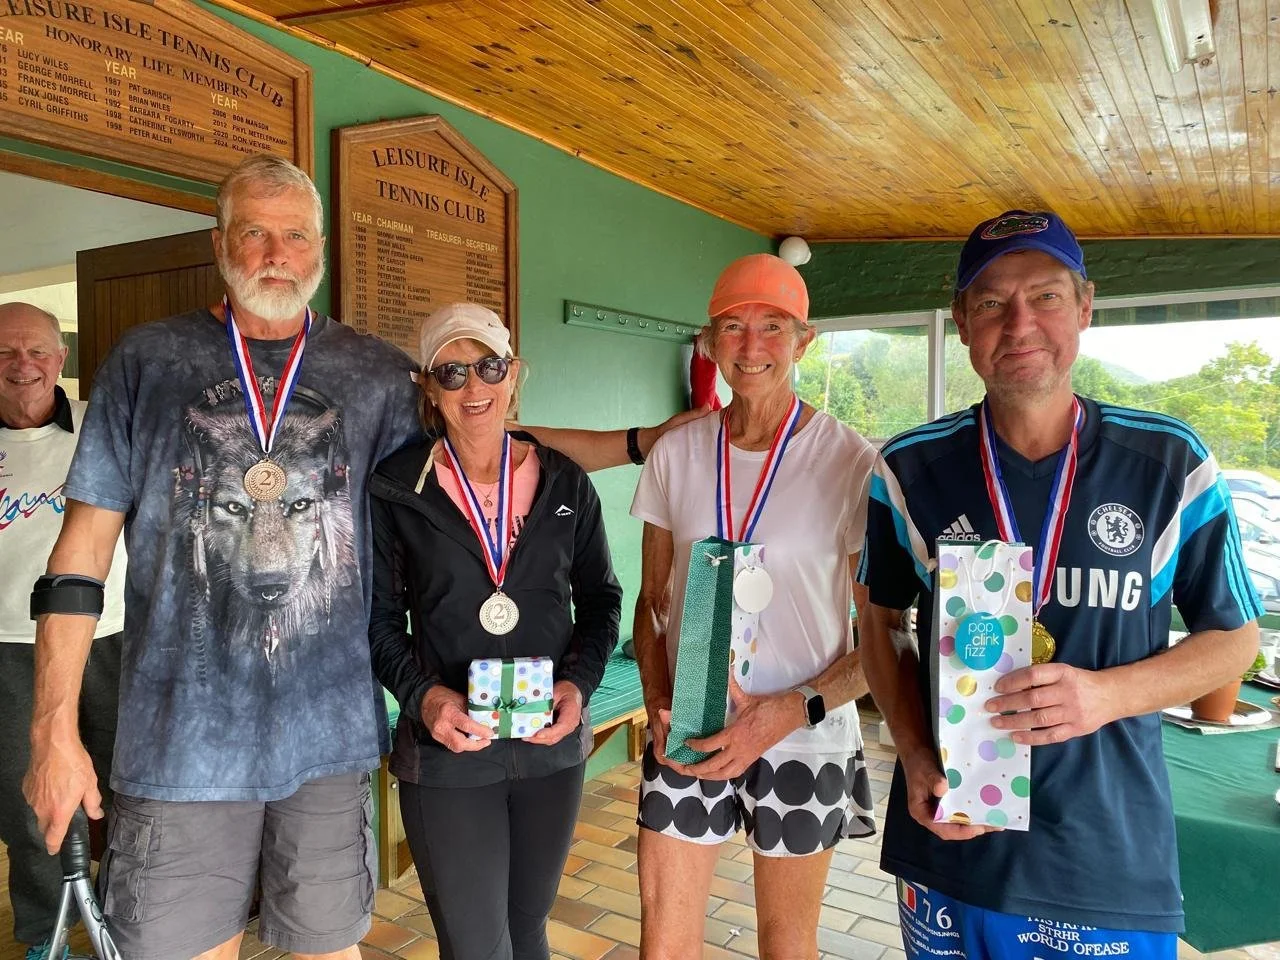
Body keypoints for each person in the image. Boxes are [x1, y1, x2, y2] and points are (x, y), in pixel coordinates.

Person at [21, 154, 696, 960]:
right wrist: (52, 734)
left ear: (322, 250)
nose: (276, 254)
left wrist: (634, 443)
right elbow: (78, 560)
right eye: (255, 233)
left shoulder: (374, 374)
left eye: (296, 236)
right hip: (181, 748)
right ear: (219, 244)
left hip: (328, 746)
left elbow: (484, 436)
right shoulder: (146, 363)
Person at [858, 210, 1262, 960]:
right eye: (990, 303)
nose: (1019, 323)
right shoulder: (908, 469)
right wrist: (913, 753)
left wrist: (1106, 696)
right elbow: (877, 624)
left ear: (1085, 306)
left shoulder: (1171, 463)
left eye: (1044, 296)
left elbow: (1235, 641)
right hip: (950, 845)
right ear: (961, 323)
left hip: (1104, 860)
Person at [629, 253, 879, 959]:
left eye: (773, 326)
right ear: (709, 343)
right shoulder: (676, 454)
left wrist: (790, 709)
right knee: (665, 942)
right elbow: (651, 609)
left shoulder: (852, 463)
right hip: (687, 729)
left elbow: (881, 641)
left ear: (806, 341)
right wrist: (656, 702)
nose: (751, 345)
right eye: (732, 327)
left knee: (788, 944)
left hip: (804, 733)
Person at [368, 302, 621, 960]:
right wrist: (425, 697)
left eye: (489, 366)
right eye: (451, 373)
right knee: (478, 946)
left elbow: (601, 598)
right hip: (449, 753)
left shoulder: (564, 479)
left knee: (528, 929)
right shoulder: (399, 488)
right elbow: (376, 621)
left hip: (550, 746)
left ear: (514, 375)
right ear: (428, 387)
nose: (473, 387)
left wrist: (579, 685)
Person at [0, 303, 127, 960]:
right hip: (10, 648)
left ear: (61, 358)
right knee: (32, 802)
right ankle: (44, 938)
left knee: (126, 787)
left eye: (37, 351)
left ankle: (126, 921)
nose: (23, 365)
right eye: (5, 353)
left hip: (112, 634)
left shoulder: (101, 425)